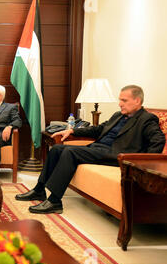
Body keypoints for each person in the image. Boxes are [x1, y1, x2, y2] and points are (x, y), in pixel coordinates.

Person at [15, 85, 165, 214]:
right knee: (57, 149)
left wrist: (139, 163)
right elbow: (98, 129)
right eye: (120, 100)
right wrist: (73, 131)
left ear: (137, 101)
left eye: (124, 100)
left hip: (115, 155)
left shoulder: (147, 119)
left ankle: (54, 201)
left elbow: (158, 141)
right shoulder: (118, 115)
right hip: (98, 149)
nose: (120, 104)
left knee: (69, 152)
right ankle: (39, 189)